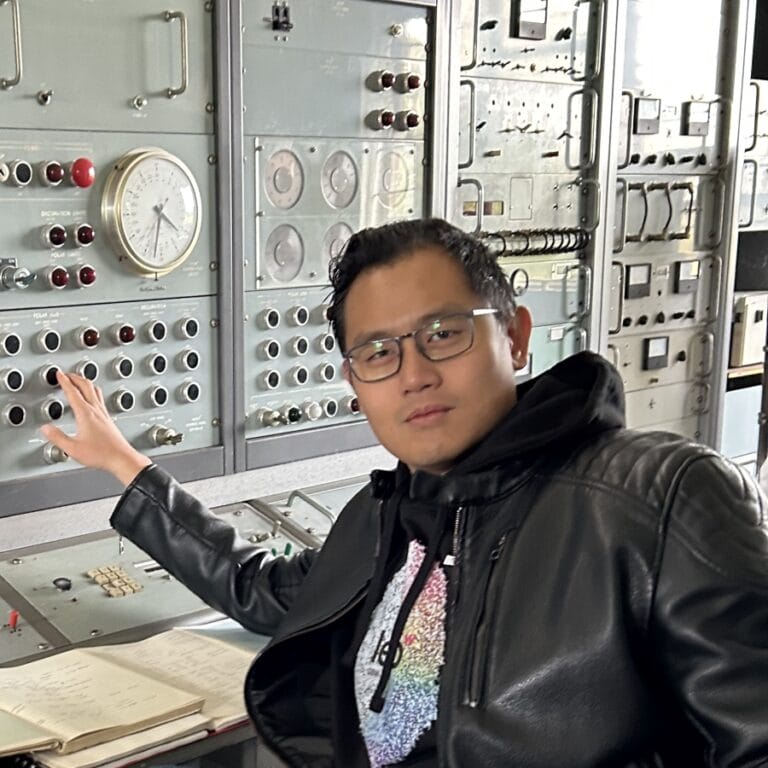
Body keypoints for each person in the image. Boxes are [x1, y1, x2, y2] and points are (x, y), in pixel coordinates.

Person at [42, 218, 768, 767]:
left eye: (443, 334)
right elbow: (263, 594)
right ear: (356, 383)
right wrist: (126, 467)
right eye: (378, 352)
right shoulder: (387, 514)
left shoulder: (660, 501)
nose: (413, 374)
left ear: (514, 338)